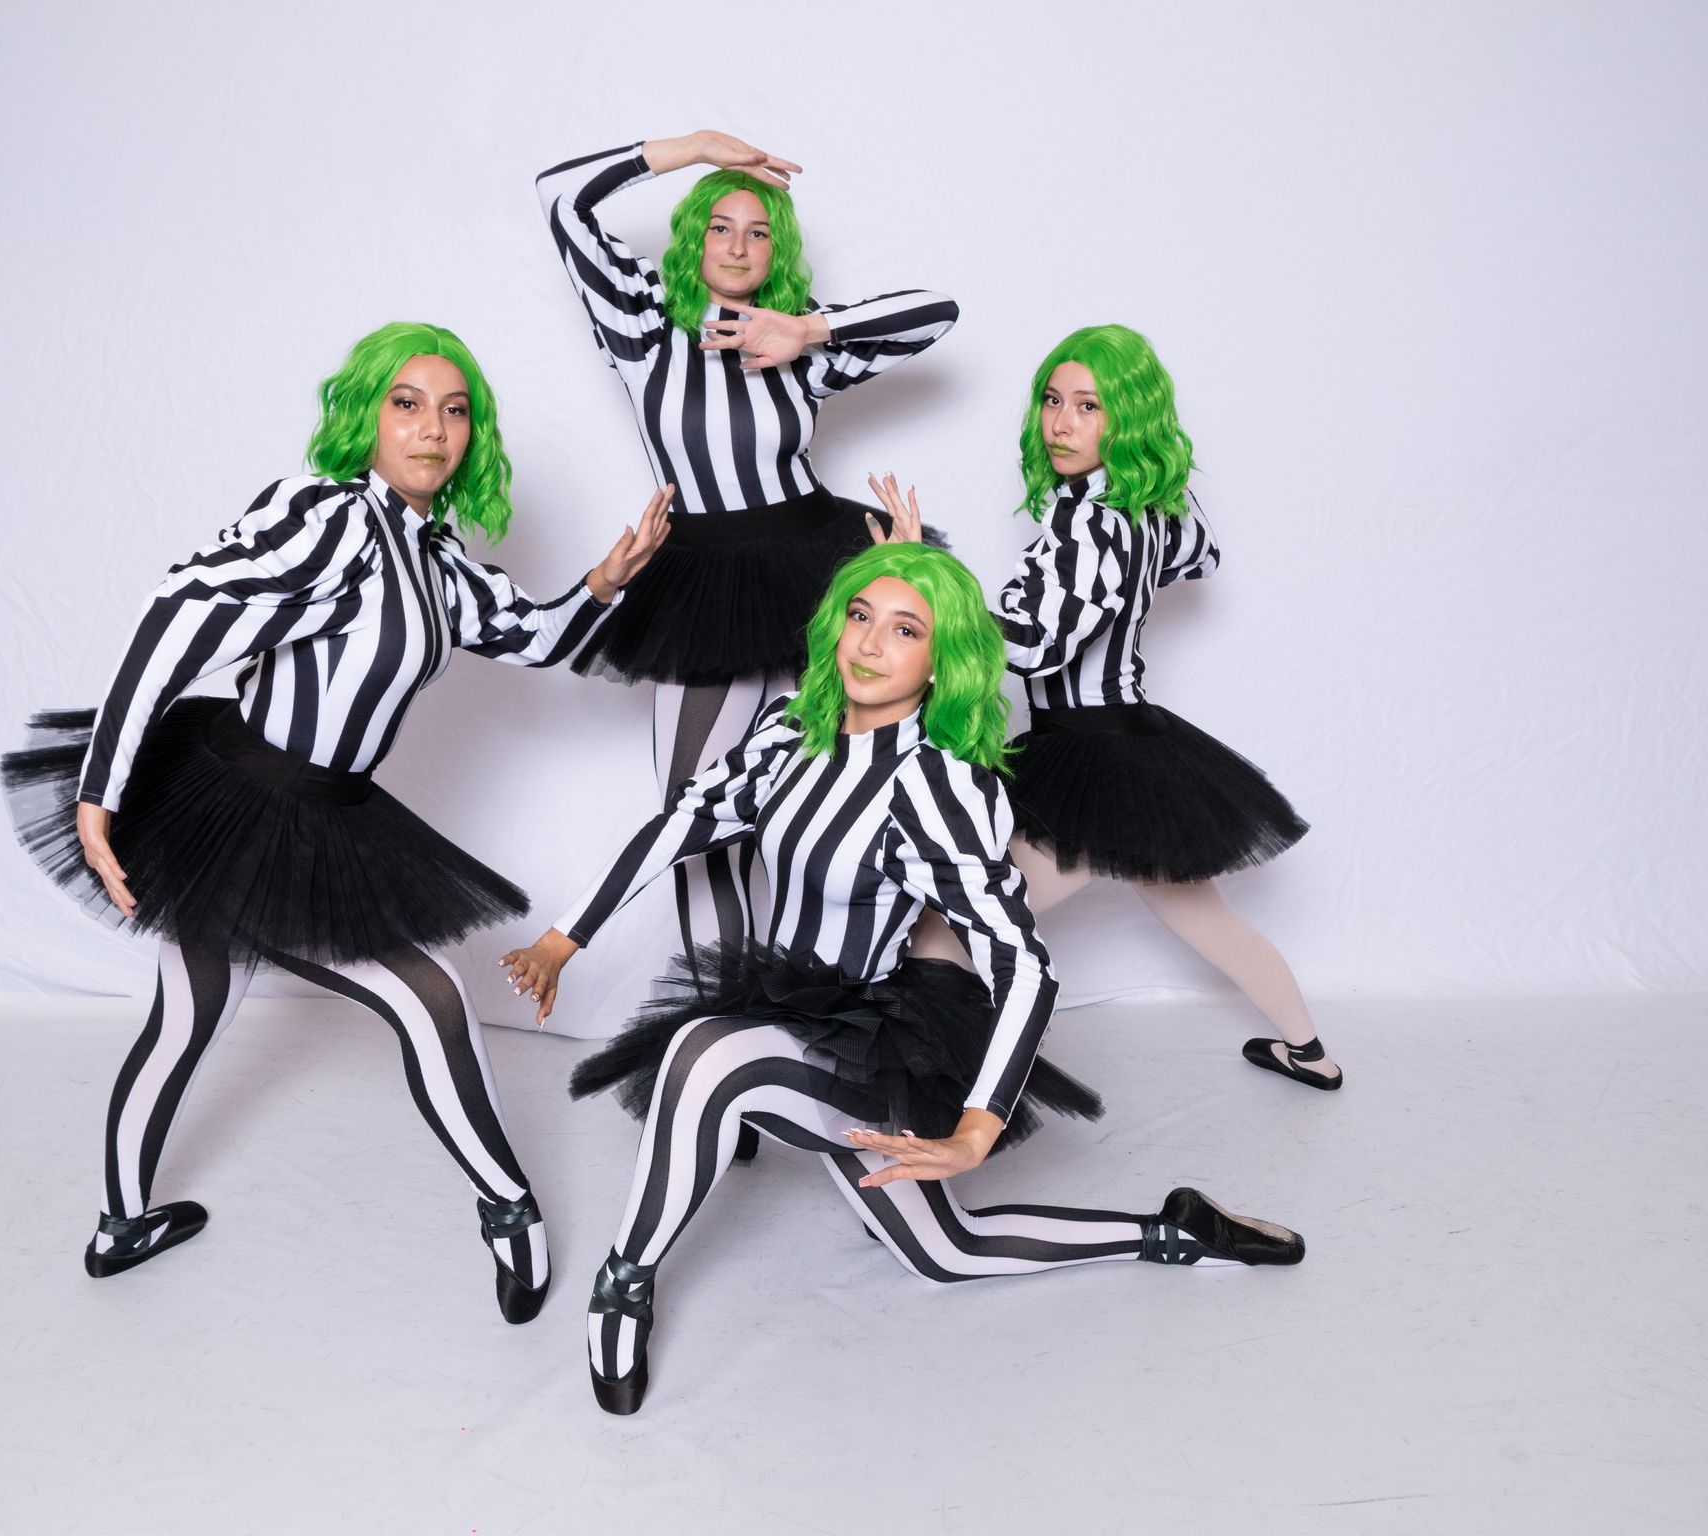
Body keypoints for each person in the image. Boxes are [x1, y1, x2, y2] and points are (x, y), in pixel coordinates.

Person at [501, 543, 1303, 1414]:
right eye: (859, 616)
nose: (870, 644)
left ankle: (1176, 1230)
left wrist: (975, 1129)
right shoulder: (785, 731)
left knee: (936, 1246)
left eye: (905, 628)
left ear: (942, 660)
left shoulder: (938, 786)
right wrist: (560, 940)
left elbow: (1023, 965)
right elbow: (680, 826)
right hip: (780, 1004)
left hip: (870, 1032)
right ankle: (630, 1281)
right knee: (737, 1078)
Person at [0, 321, 670, 1323]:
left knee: (188, 1014)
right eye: (407, 403)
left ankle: (120, 1225)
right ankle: (511, 1207)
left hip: (326, 815)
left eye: (454, 410)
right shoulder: (328, 517)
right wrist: (103, 783)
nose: (431, 429)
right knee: (424, 997)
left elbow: (533, 636)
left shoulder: (434, 559)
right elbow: (179, 614)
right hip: (240, 800)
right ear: (366, 415)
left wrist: (602, 586)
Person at [536, 130, 956, 970]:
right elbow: (560, 195)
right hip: (701, 589)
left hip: (820, 573)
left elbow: (937, 314)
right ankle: (726, 1024)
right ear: (692, 239)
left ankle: (847, 1011)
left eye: (758, 231)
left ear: (778, 251)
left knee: (839, 803)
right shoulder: (643, 326)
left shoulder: (797, 349)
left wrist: (809, 330)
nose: (737, 244)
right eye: (720, 226)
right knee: (695, 812)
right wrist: (686, 148)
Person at [909, 325, 1340, 1089]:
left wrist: (929, 581)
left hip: (1089, 756)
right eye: (1052, 401)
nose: (1062, 423)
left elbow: (1035, 644)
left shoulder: (1087, 522)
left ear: (1127, 420)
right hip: (1137, 747)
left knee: (956, 927)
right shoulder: (1140, 509)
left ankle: (931, 1088)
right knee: (1205, 920)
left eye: (1090, 407)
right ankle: (1311, 1054)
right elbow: (1196, 553)